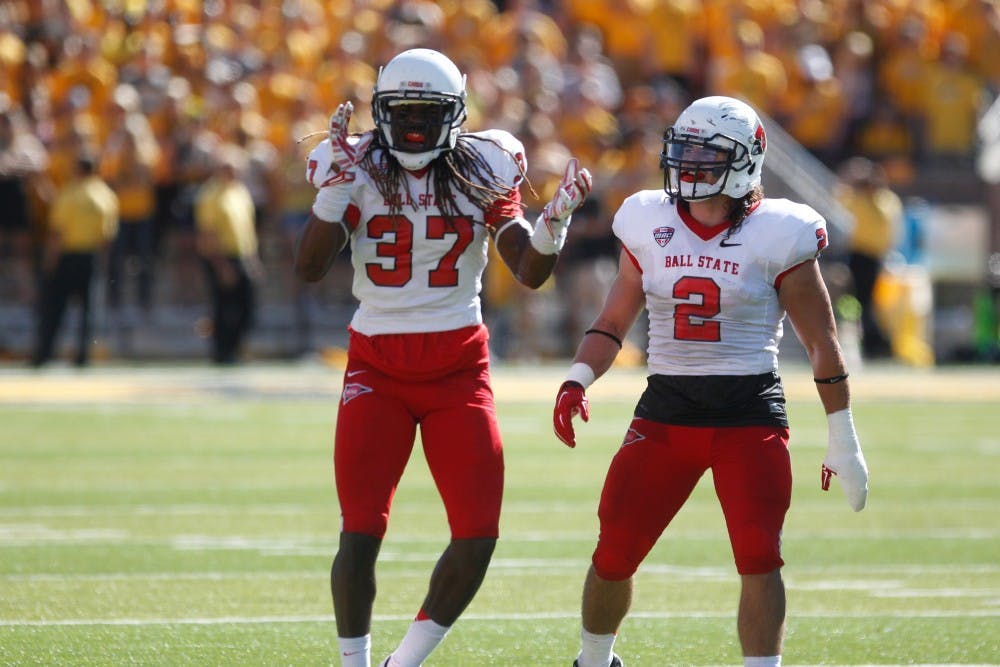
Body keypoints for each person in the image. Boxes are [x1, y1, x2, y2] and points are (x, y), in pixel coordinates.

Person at [293, 48, 592, 667]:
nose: (411, 129)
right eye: (400, 114)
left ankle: (403, 662)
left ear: (454, 115)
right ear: (380, 113)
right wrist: (334, 192)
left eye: (424, 115)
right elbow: (309, 267)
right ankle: (353, 663)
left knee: (479, 530)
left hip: (459, 367)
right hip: (376, 365)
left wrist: (554, 222)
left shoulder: (483, 167)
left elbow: (529, 270)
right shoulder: (357, 167)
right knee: (361, 527)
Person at [551, 96, 869, 667]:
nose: (690, 166)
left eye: (707, 155)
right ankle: (593, 660)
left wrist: (842, 434)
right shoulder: (647, 217)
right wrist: (577, 378)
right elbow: (613, 321)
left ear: (745, 161)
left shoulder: (781, 231)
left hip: (748, 410)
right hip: (666, 407)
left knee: (758, 556)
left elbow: (823, 343)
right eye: (685, 152)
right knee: (614, 550)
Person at [31, 153, 118, 367]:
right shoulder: (105, 196)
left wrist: (49, 262)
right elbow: (106, 237)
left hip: (66, 256)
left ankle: (44, 354)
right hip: (91, 257)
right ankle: (83, 357)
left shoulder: (69, 194)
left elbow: (56, 233)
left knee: (54, 308)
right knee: (89, 311)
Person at [193, 146, 261, 365]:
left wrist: (252, 258)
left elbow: (247, 228)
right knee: (223, 307)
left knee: (247, 306)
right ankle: (222, 352)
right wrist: (221, 265)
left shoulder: (240, 191)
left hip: (242, 254)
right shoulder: (210, 194)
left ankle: (235, 347)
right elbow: (207, 233)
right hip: (221, 256)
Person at [835, 156, 902, 360]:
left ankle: (875, 344)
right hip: (855, 254)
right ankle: (863, 342)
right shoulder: (857, 198)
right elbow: (838, 195)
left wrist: (873, 192)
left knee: (867, 302)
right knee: (851, 301)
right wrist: (853, 175)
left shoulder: (886, 200)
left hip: (872, 257)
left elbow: (886, 219)